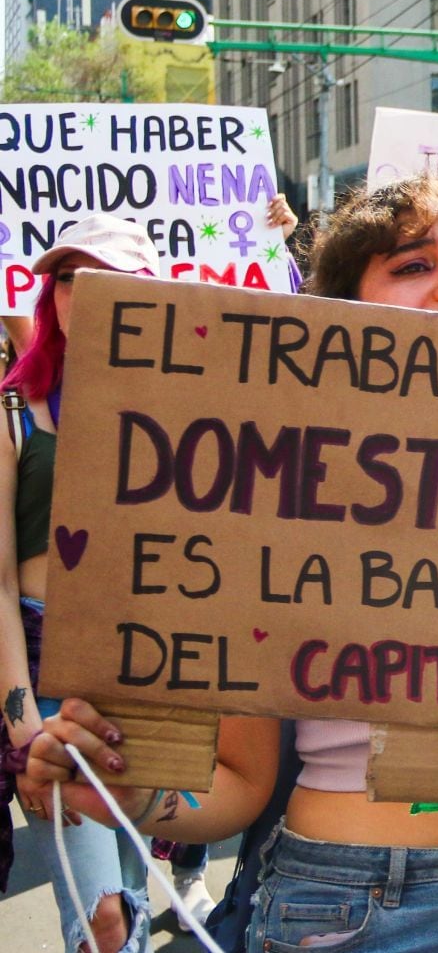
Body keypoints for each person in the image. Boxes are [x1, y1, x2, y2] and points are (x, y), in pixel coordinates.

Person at [22, 174, 438, 953]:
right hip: (340, 908)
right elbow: (239, 785)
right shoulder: (266, 488)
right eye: (410, 266)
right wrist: (130, 796)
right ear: (345, 315)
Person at [1, 217, 162, 953]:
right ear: (51, 295)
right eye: (70, 276)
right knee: (102, 918)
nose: (88, 292)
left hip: (150, 665)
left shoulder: (187, 411)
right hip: (46, 668)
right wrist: (23, 722)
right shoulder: (13, 414)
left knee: (133, 890)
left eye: (113, 275)